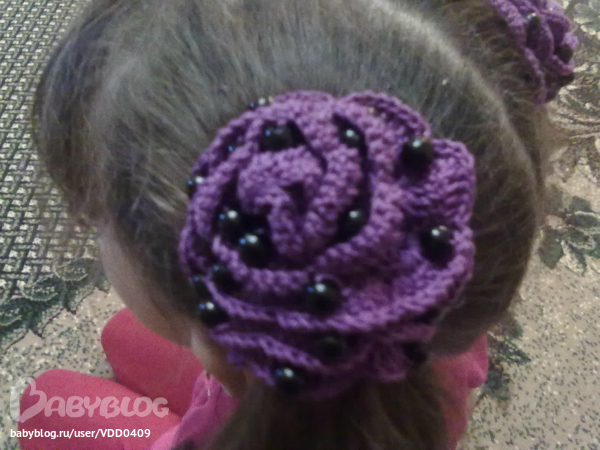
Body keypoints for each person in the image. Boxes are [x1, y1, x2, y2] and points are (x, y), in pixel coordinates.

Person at [18, 0, 577, 449]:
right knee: (121, 336)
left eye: (94, 217)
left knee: (46, 404)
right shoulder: (433, 277)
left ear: (220, 351)